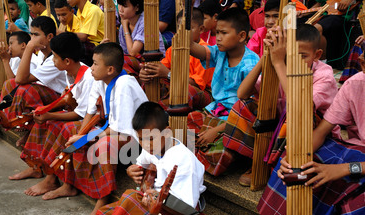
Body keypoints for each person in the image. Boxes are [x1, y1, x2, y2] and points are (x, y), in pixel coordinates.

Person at [245, 52, 365, 215]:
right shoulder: (356, 84)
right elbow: (321, 131)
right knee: (304, 166)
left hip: (358, 163)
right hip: (356, 150)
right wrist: (294, 155)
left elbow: (347, 169)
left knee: (357, 196)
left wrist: (346, 169)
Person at [93, 101, 216, 215]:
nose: (145, 144)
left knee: (129, 200)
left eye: (149, 139)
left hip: (172, 212)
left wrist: (157, 197)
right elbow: (140, 163)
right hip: (152, 205)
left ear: (167, 132)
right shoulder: (153, 147)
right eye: (140, 139)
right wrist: (130, 171)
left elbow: (185, 208)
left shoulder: (183, 160)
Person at [42, 42, 148, 215]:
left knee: (104, 144)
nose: (91, 68)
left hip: (136, 138)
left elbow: (119, 129)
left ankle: (103, 198)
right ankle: (68, 183)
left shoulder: (124, 85)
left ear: (110, 69)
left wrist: (85, 139)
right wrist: (80, 135)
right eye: (92, 63)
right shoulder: (100, 79)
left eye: (95, 64)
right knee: (70, 130)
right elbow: (90, 112)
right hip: (114, 129)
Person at [225, 23, 339, 186]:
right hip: (278, 130)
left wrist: (279, 63)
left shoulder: (324, 75)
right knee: (243, 106)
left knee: (293, 115)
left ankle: (274, 165)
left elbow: (300, 107)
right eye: (288, 55)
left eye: (302, 56)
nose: (293, 62)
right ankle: (258, 160)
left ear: (317, 54)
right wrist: (266, 57)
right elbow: (242, 94)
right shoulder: (279, 65)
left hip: (314, 135)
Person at [14, 31, 95, 193]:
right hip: (79, 114)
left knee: (60, 127)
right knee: (45, 123)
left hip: (92, 122)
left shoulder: (88, 78)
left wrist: (50, 115)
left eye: (55, 58)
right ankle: (37, 167)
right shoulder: (69, 72)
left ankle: (53, 179)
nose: (53, 61)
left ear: (66, 61)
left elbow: (81, 114)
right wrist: (46, 114)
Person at [186, 7, 259, 177]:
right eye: (217, 32)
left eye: (224, 33)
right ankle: (202, 150)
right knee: (184, 124)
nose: (218, 38)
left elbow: (251, 111)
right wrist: (185, 27)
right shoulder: (220, 52)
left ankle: (227, 152)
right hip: (215, 110)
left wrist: (216, 131)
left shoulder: (251, 65)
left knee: (219, 154)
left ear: (242, 36)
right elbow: (191, 47)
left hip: (238, 120)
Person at [0, 16, 67, 150]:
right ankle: (12, 121)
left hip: (61, 99)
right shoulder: (42, 54)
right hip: (47, 95)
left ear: (50, 37)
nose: (32, 38)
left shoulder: (55, 59)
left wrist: (29, 47)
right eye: (31, 34)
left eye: (36, 35)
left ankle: (23, 124)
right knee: (9, 84)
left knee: (24, 89)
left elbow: (20, 79)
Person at [139, 8, 212, 111]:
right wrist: (147, 73)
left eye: (189, 28)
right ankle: (152, 110)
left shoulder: (205, 52)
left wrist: (168, 74)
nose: (182, 32)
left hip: (200, 93)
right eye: (179, 28)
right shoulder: (172, 49)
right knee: (153, 80)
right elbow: (160, 69)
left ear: (201, 29)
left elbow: (196, 85)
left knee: (185, 91)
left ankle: (158, 112)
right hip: (175, 86)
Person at [117, 0, 165, 79]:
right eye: (119, 5)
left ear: (137, 7)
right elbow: (124, 51)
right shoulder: (125, 23)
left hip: (154, 64)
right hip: (138, 63)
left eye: (125, 6)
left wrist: (125, 28)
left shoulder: (145, 22)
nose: (120, 9)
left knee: (123, 61)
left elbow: (133, 52)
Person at [67, 0, 105, 65]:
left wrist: (64, 34)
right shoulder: (79, 12)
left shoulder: (93, 10)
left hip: (99, 46)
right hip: (88, 45)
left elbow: (83, 37)